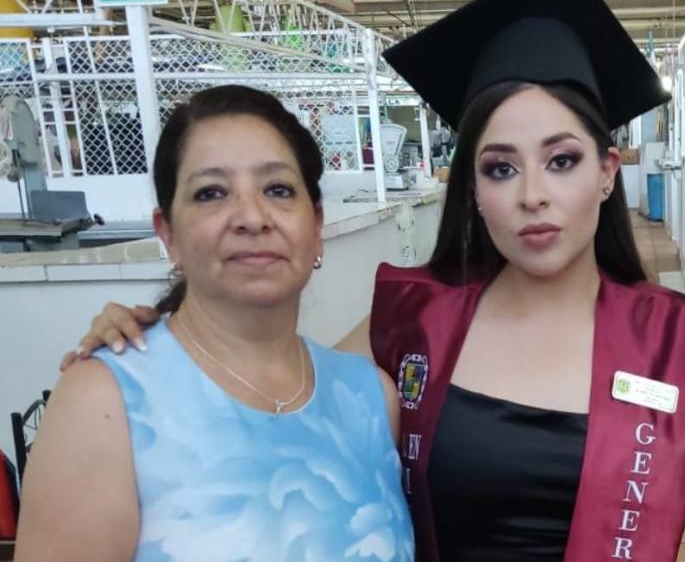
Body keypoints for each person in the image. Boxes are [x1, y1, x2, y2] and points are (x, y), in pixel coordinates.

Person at [64, 0, 685, 562]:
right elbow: (274, 390)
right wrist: (161, 340)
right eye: (500, 168)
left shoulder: (674, 337)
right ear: (475, 191)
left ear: (606, 172)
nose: (533, 195)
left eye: (562, 160)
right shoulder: (416, 319)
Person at [17, 86, 414, 561]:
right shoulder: (106, 404)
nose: (251, 217)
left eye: (278, 189)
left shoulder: (371, 399)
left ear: (316, 223)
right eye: (211, 193)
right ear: (169, 234)